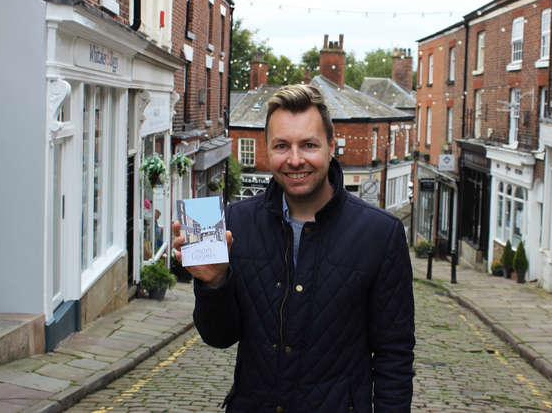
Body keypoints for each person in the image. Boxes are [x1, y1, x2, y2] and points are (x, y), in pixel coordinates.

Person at [172, 84, 414, 412]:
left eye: (309, 145)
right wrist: (214, 283)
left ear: (331, 146)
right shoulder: (234, 222)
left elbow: (394, 356)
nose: (295, 159)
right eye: (282, 146)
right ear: (267, 150)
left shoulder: (381, 234)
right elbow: (220, 337)